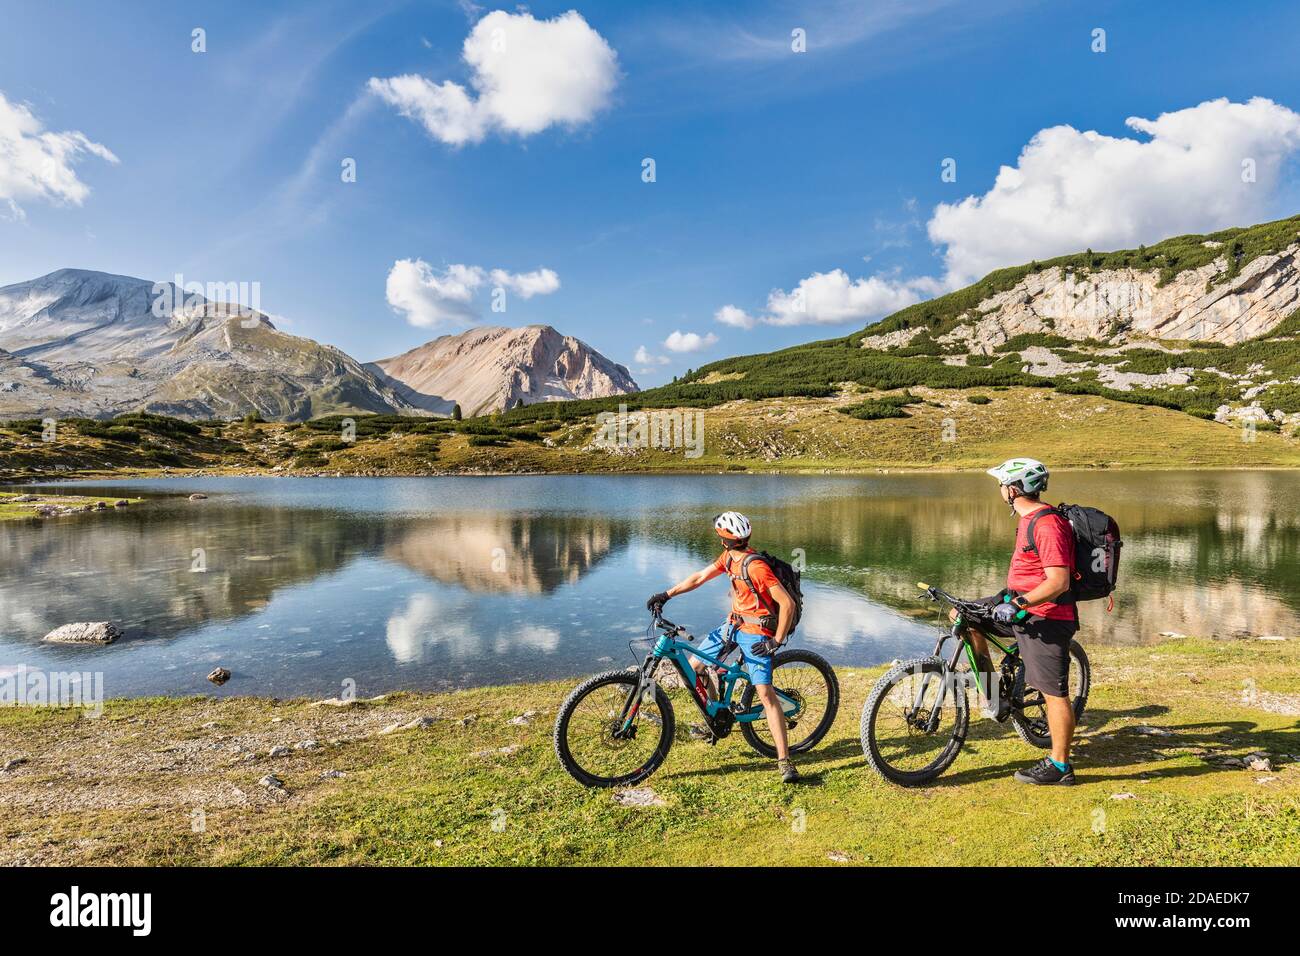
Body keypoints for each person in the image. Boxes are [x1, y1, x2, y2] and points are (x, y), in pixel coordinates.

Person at [646, 511, 800, 783]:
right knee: (696, 668)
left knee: (765, 693)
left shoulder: (756, 567)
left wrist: (775, 641)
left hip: (756, 632)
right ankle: (715, 719)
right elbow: (698, 578)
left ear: (723, 540)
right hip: (732, 625)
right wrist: (666, 595)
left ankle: (785, 761)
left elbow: (786, 604)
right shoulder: (729, 558)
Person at [961, 458, 1080, 786]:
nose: (999, 490)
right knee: (964, 616)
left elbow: (1059, 582)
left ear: (1013, 489)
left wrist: (1020, 604)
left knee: (1053, 692)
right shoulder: (1028, 519)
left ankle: (1060, 766)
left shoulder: (1046, 524)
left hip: (1047, 616)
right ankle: (994, 696)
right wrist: (1011, 602)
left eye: (1001, 484)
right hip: (1017, 605)